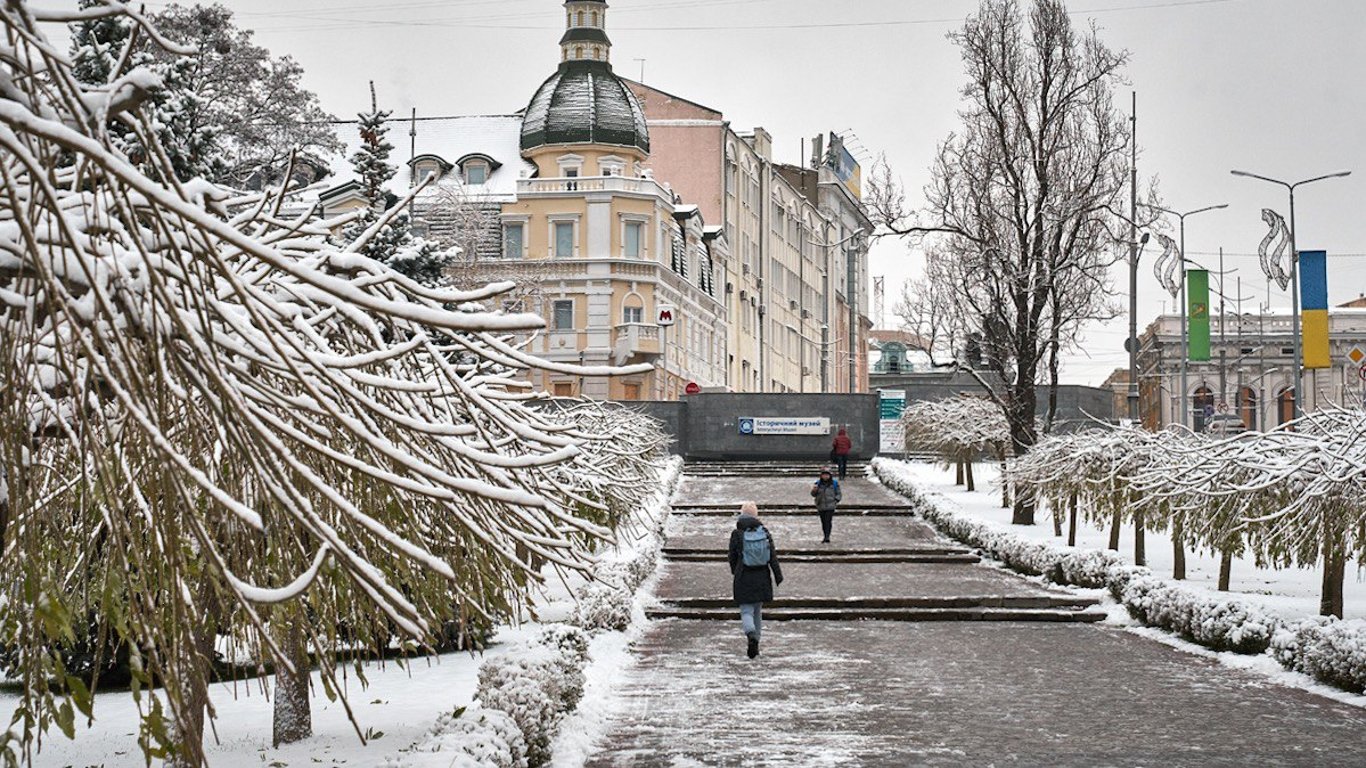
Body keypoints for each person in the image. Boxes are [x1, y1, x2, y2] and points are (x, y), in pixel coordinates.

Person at [729, 501, 782, 659]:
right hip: (762, 576)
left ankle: (750, 634)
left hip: (744, 575)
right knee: (757, 611)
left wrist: (735, 570)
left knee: (746, 610)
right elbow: (772, 555)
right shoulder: (764, 531)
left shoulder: (737, 533)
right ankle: (756, 644)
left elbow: (732, 556)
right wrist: (777, 575)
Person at [811, 468, 842, 544]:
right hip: (821, 505)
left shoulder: (834, 483)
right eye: (824, 475)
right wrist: (814, 490)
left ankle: (827, 536)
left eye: (827, 475)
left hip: (830, 505)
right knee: (823, 521)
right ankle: (825, 534)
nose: (825, 476)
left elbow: (839, 493)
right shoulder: (818, 483)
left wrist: (836, 500)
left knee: (828, 521)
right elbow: (813, 494)